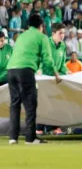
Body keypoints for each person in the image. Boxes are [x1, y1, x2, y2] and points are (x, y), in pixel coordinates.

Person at [6, 14, 61, 145]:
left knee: (15, 104)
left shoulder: (21, 36)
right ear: (41, 26)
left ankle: (13, 137)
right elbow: (47, 60)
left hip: (11, 70)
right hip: (25, 70)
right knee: (30, 103)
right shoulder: (41, 37)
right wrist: (56, 74)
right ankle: (30, 138)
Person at [37, 23, 70, 136]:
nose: (62, 35)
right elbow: (41, 59)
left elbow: (62, 64)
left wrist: (67, 72)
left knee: (56, 104)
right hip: (45, 78)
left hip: (56, 80)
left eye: (64, 33)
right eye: (60, 33)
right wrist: (39, 70)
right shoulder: (46, 43)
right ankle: (39, 128)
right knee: (43, 104)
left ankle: (55, 128)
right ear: (53, 33)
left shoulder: (63, 46)